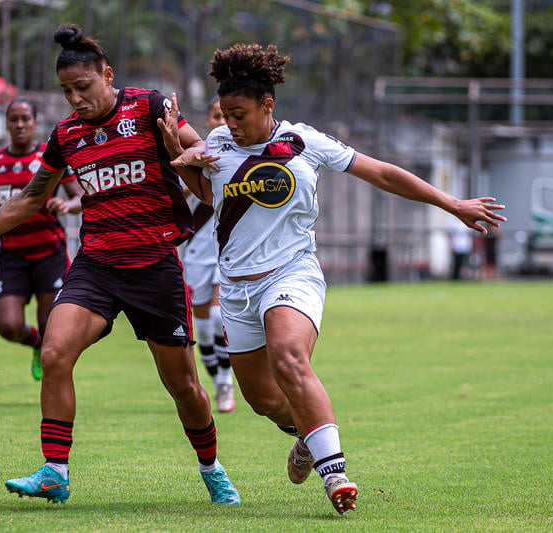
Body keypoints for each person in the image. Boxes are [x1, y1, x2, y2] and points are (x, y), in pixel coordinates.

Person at [161, 43, 506, 514]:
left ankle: (334, 473)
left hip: (292, 272)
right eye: (224, 115)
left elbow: (382, 173)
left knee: (289, 356)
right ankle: (305, 433)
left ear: (268, 104)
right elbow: (211, 198)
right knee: (262, 399)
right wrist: (178, 159)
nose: (230, 125)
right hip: (237, 288)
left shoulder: (304, 142)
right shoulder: (217, 146)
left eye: (238, 114)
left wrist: (454, 205)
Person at [0, 24, 240, 506]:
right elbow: (30, 198)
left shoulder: (150, 108)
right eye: (66, 91)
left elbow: (205, 162)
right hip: (97, 265)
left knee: (183, 385)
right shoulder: (66, 135)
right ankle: (55, 471)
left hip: (155, 266)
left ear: (107, 76)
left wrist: (183, 146)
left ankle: (212, 469)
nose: (74, 99)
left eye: (83, 87)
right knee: (54, 352)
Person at [0, 96, 83, 381]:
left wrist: (66, 205)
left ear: (36, 123)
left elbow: (78, 195)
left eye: (25, 118)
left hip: (49, 253)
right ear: (7, 125)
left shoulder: (47, 157)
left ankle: (52, 382)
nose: (19, 124)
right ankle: (36, 344)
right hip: (12, 255)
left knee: (50, 324)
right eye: (13, 119)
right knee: (7, 325)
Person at [182, 97, 234, 413]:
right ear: (209, 121)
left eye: (229, 116)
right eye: (217, 116)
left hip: (227, 250)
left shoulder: (243, 156)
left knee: (217, 317)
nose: (223, 121)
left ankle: (227, 380)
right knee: (202, 325)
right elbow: (179, 195)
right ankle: (218, 382)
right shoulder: (192, 157)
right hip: (196, 252)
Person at [446, 215, 474, 280]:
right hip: (456, 244)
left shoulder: (467, 218)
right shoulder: (452, 219)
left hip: (466, 244)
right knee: (457, 263)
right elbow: (449, 233)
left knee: (465, 263)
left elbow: (471, 233)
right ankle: (455, 278)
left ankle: (465, 278)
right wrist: (451, 245)